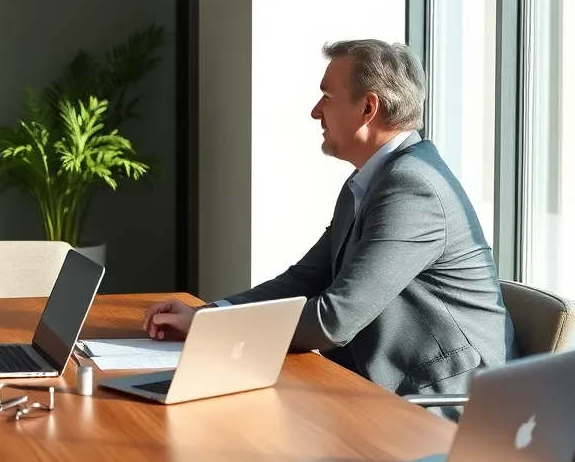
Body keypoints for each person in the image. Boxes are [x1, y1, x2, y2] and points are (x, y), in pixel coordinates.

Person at [143, 39, 516, 404]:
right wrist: (208, 315)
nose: (315, 111)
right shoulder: (370, 180)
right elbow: (306, 279)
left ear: (368, 107)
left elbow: (334, 319)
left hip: (443, 401)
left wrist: (212, 331)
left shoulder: (412, 187)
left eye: (327, 97)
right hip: (375, 387)